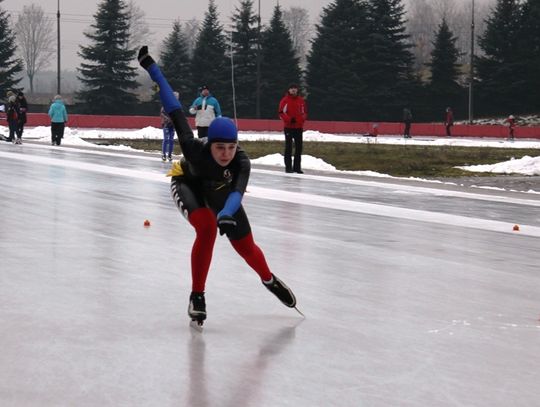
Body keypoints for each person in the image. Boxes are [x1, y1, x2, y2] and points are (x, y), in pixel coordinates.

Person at [137, 46, 297, 326]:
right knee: (207, 229)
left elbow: (237, 194)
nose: (226, 153)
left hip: (223, 195)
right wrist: (153, 69)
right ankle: (197, 296)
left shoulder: (241, 163)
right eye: (220, 147)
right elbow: (173, 108)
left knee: (246, 248)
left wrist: (226, 213)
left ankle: (269, 279)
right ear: (210, 144)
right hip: (189, 183)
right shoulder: (193, 148)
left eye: (231, 147)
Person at [278, 84, 307, 173]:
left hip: (298, 127)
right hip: (288, 127)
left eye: (295, 89)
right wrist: (290, 120)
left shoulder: (301, 101)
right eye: (292, 89)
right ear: (289, 90)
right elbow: (281, 113)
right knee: (289, 147)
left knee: (299, 148)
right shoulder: (285, 100)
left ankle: (297, 167)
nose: (293, 91)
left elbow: (304, 113)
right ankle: (288, 167)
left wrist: (299, 121)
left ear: (297, 90)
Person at [160, 91, 179, 161]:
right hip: (166, 124)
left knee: (171, 140)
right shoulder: (166, 103)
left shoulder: (177, 106)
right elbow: (162, 113)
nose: (176, 99)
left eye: (177, 97)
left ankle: (170, 155)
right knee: (166, 139)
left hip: (173, 125)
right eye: (175, 97)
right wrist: (167, 119)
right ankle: (164, 154)